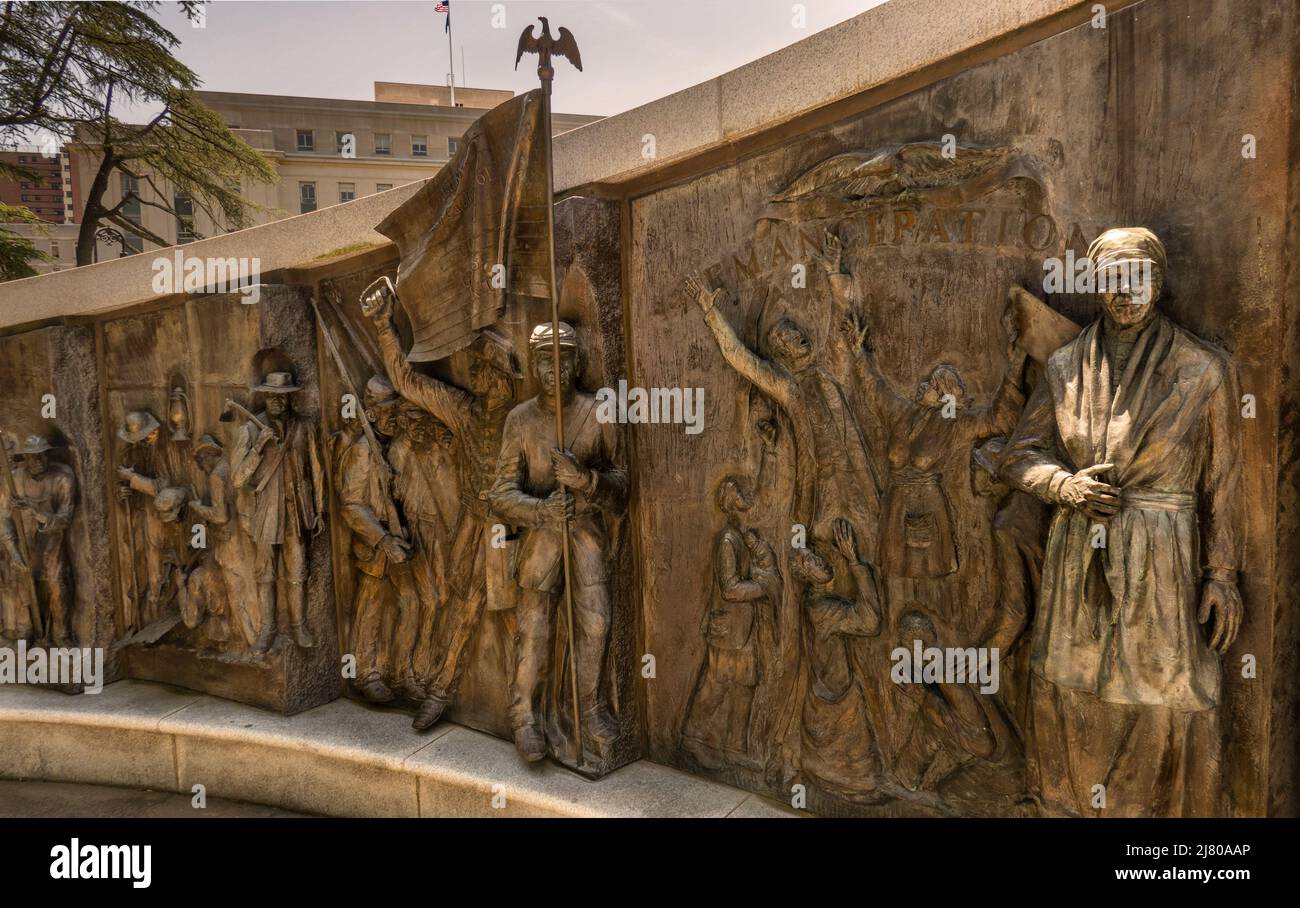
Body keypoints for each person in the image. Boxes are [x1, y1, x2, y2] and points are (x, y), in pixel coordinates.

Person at [1001, 227, 1242, 817]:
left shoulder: (1201, 370)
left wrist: (1222, 576)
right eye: (1113, 280)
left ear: (1158, 283)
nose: (1126, 293)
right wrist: (1064, 485)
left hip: (1163, 557)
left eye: (1139, 279)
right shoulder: (1064, 367)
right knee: (1068, 684)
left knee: (1161, 697)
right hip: (1080, 547)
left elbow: (1223, 484)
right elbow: (1018, 456)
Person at [362, 279, 520, 730]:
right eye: (479, 371)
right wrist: (384, 327)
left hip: (514, 529)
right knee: (464, 604)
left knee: (511, 615)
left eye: (488, 372)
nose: (481, 378)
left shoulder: (526, 420)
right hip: (475, 523)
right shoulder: (463, 411)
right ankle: (442, 691)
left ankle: (525, 709)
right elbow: (407, 382)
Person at [489, 322, 628, 763]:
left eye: (563, 360)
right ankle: (524, 716)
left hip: (586, 535)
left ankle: (590, 708)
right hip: (542, 541)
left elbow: (623, 487)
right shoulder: (521, 420)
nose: (555, 370)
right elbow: (500, 494)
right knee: (535, 632)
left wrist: (586, 480)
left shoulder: (597, 412)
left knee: (597, 623)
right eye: (545, 362)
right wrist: (540, 510)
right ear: (535, 366)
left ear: (576, 363)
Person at [680, 476, 781, 770]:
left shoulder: (740, 535)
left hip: (745, 628)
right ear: (728, 503)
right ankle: (693, 738)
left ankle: (736, 747)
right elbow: (730, 588)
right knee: (716, 684)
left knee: (745, 686)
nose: (745, 500)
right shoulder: (727, 540)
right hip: (729, 629)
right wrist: (764, 587)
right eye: (739, 495)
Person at [230, 370, 325, 652]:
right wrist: (259, 446)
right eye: (272, 396)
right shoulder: (249, 429)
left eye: (283, 397)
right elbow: (237, 478)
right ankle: (267, 629)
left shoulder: (304, 428)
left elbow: (316, 471)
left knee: (297, 571)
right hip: (265, 512)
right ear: (264, 396)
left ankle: (298, 626)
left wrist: (319, 509)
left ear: (290, 398)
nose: (277, 402)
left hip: (296, 511)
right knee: (266, 573)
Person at [335, 376, 416, 700]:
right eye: (386, 410)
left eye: (396, 409)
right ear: (370, 413)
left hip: (397, 539)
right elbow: (351, 505)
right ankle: (366, 673)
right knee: (371, 607)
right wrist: (383, 540)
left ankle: (401, 669)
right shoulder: (362, 451)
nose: (393, 416)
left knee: (409, 602)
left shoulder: (390, 449)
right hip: (375, 545)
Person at [0, 435, 76, 644]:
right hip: (25, 542)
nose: (38, 462)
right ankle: (26, 630)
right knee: (23, 582)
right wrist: (14, 552)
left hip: (51, 541)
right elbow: (3, 517)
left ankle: (63, 635)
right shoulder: (13, 479)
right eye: (33, 457)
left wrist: (35, 509)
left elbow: (64, 519)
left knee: (56, 585)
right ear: (24, 457)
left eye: (43, 456)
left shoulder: (63, 477)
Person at [188, 435, 255, 647]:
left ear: (207, 456)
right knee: (248, 588)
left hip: (230, 544)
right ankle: (251, 637)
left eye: (200, 461)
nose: (200, 467)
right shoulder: (229, 467)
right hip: (243, 537)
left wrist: (197, 507)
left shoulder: (217, 476)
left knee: (236, 593)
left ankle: (249, 641)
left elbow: (220, 516)